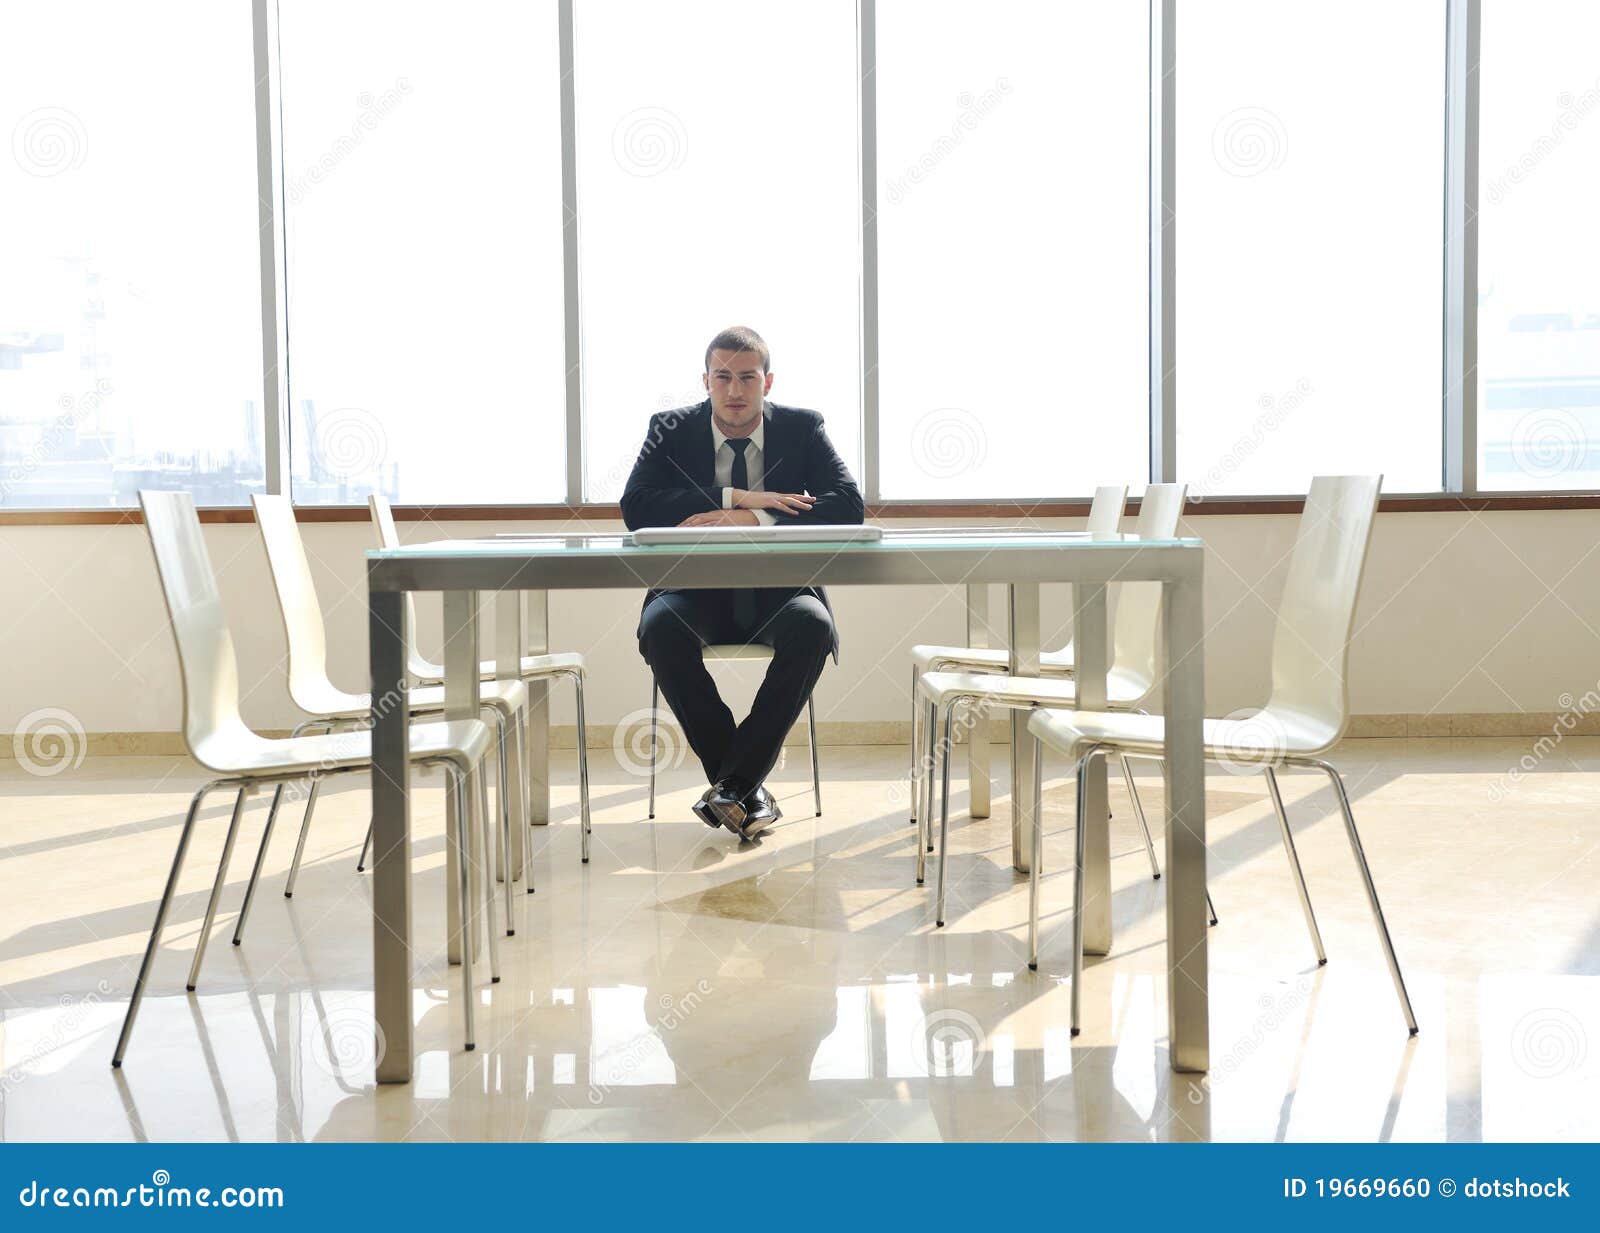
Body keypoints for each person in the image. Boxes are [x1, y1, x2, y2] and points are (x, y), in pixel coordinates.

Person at [621, 325, 864, 839]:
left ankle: (732, 787)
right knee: (660, 628)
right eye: (723, 377)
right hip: (692, 592)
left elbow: (847, 505)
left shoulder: (802, 427)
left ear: (767, 382)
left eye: (748, 378)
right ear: (705, 381)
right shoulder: (670, 428)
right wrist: (735, 498)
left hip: (780, 592)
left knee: (814, 626)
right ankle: (743, 789)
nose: (734, 390)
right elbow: (637, 506)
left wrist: (757, 519)